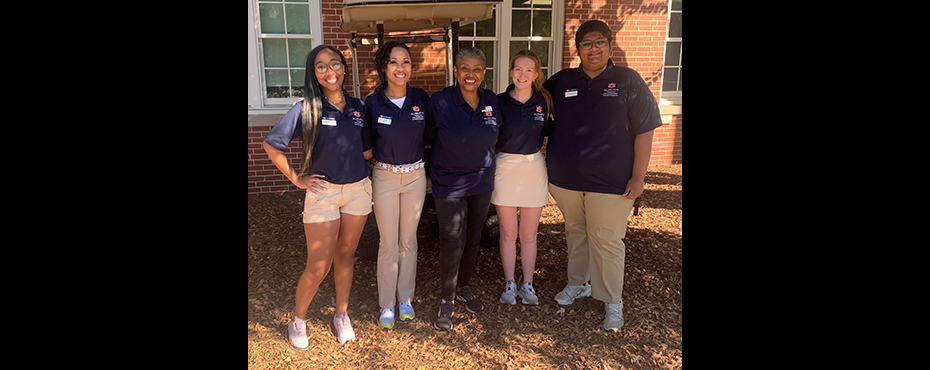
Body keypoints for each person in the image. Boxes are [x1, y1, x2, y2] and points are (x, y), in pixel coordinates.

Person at [542, 20, 662, 332]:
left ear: (609, 45)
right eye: (586, 44)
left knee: (607, 240)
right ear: (577, 49)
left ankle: (612, 301)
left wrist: (639, 176)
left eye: (599, 42)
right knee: (576, 233)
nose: (593, 49)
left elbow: (645, 129)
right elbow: (535, 102)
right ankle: (578, 283)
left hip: (612, 181)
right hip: (565, 179)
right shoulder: (562, 80)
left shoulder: (628, 80)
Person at [263, 44, 373, 347]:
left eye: (335, 64)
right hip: (322, 193)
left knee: (346, 256)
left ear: (344, 68)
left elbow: (365, 150)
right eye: (321, 66)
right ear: (314, 72)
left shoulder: (359, 107)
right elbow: (273, 145)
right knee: (319, 264)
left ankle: (341, 314)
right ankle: (298, 319)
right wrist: (297, 178)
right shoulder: (306, 108)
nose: (329, 71)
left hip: (358, 191)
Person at [425, 46, 501, 331]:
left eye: (477, 68)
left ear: (484, 72)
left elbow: (499, 136)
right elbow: (429, 137)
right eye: (465, 68)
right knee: (452, 239)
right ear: (455, 71)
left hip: (482, 182)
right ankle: (447, 298)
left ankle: (463, 286)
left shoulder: (492, 100)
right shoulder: (440, 101)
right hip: (449, 182)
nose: (471, 74)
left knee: (474, 237)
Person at [364, 41, 430, 329]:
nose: (400, 68)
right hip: (386, 177)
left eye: (405, 62)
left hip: (415, 177)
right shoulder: (372, 103)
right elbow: (366, 147)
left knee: (408, 240)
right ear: (384, 67)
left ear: (411, 68)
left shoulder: (421, 99)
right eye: (393, 62)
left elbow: (432, 137)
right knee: (388, 243)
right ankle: (386, 303)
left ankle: (406, 298)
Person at [492, 50, 552, 306]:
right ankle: (509, 283)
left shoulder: (544, 101)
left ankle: (528, 284)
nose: (523, 74)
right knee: (508, 233)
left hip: (533, 167)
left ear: (536, 74)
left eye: (529, 70)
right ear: (510, 72)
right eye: (518, 69)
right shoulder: (499, 101)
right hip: (504, 167)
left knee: (528, 234)